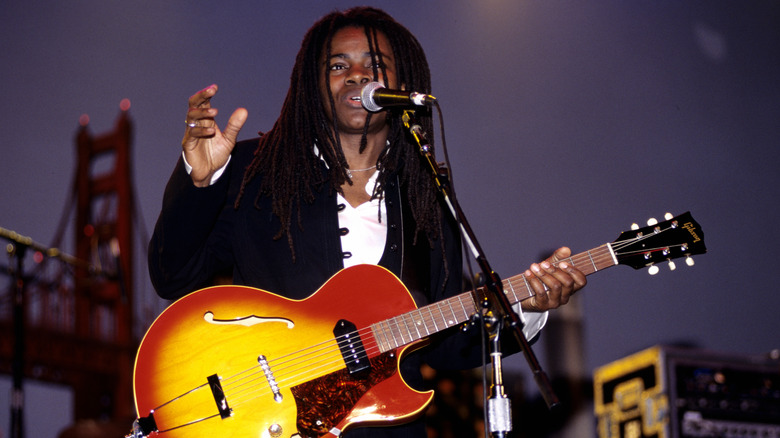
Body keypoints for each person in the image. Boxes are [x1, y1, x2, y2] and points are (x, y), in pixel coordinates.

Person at [148, 6, 586, 438]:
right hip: (267, 421)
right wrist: (200, 182)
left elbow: (450, 343)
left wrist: (527, 307)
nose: (356, 75)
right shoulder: (255, 174)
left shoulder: (425, 192)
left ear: (401, 84)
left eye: (374, 65)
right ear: (313, 84)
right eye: (338, 65)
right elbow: (173, 275)